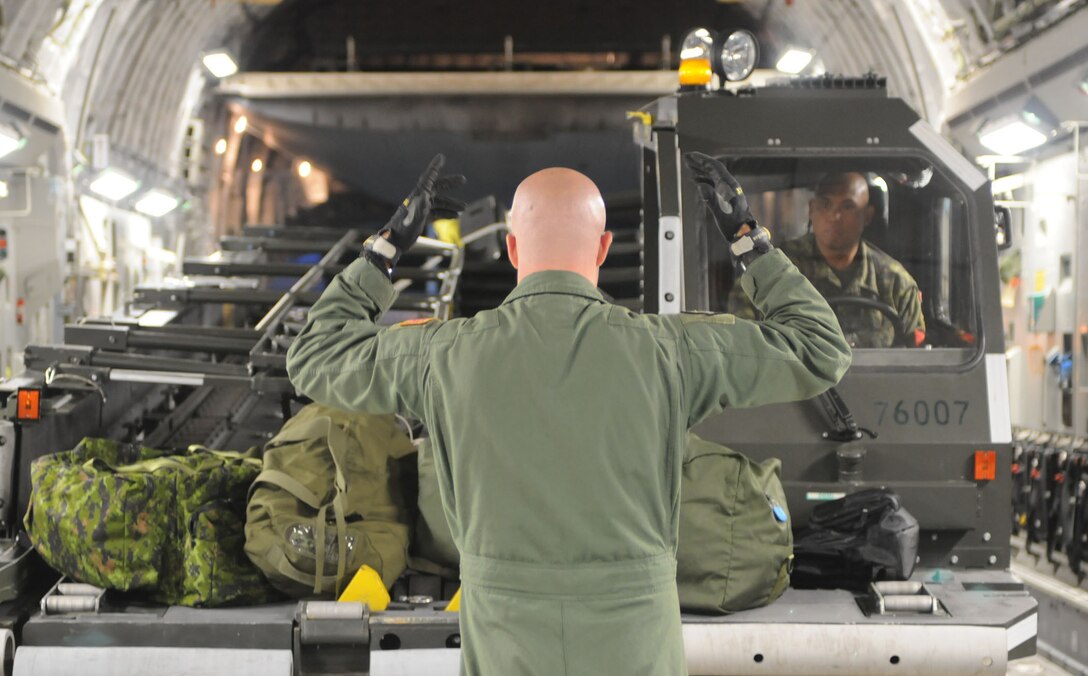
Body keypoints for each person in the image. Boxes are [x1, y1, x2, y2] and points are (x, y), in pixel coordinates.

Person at [287, 153, 851, 675]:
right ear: (603, 248)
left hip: (503, 635)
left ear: (511, 251)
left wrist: (385, 251)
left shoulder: (444, 354)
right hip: (635, 641)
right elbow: (820, 348)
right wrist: (749, 240)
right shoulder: (671, 351)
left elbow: (314, 356)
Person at [730, 171, 925, 348]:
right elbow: (742, 344)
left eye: (848, 206)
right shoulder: (771, 272)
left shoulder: (897, 283)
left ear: (867, 215)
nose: (834, 216)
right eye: (825, 204)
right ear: (812, 210)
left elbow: (916, 361)